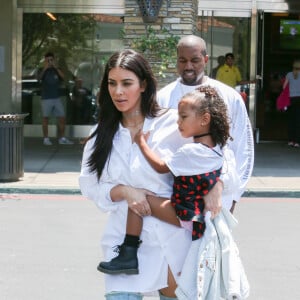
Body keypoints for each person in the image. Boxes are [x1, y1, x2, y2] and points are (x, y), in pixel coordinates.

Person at [79, 49, 233, 300]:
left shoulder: (174, 124)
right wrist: (125, 192)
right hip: (123, 247)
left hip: (173, 243)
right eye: (112, 83)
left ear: (143, 85)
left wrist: (218, 185)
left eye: (126, 83)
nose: (118, 91)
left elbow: (221, 155)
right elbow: (89, 185)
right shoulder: (101, 135)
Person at [97, 86, 240, 277]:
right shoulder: (216, 150)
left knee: (138, 201)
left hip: (185, 212)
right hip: (197, 214)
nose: (177, 121)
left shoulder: (191, 152)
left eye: (183, 117)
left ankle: (128, 254)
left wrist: (140, 142)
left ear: (205, 119)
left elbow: (160, 166)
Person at [158, 35, 254, 213]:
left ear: (206, 59)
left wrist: (232, 196)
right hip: (174, 201)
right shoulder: (162, 98)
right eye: (182, 60)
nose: (188, 66)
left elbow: (242, 149)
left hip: (216, 201)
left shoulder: (228, 97)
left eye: (195, 60)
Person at [38, 52, 74, 146]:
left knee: (62, 117)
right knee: (45, 118)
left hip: (56, 98)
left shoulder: (56, 70)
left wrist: (55, 67)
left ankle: (62, 138)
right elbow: (39, 78)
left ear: (54, 60)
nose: (50, 62)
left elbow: (63, 77)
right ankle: (46, 138)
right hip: (46, 98)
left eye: (51, 60)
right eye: (48, 60)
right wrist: (45, 67)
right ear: (45, 60)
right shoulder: (42, 69)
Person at [282, 59, 300, 148]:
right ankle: (297, 142)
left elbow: (284, 86)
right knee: (298, 121)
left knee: (291, 120)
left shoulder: (289, 74)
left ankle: (290, 141)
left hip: (291, 99)